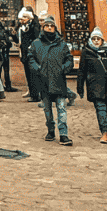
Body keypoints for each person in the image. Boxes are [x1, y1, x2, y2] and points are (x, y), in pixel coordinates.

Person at [27, 16, 74, 145]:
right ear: (43, 28)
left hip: (59, 80)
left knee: (61, 108)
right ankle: (51, 130)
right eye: (47, 26)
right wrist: (38, 68)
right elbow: (31, 58)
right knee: (47, 110)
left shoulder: (62, 44)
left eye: (51, 26)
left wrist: (63, 68)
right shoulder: (36, 43)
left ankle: (63, 134)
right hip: (44, 81)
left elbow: (69, 59)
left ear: (55, 28)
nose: (49, 28)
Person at [17, 8, 42, 103]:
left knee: (33, 75)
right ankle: (33, 93)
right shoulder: (23, 26)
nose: (20, 21)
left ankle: (35, 95)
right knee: (29, 75)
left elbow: (35, 39)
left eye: (22, 19)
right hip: (24, 53)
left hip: (31, 54)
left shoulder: (33, 26)